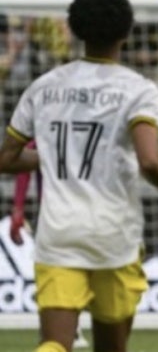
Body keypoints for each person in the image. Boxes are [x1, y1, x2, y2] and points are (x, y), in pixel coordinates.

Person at [0, 0, 158, 352]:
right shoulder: (137, 89)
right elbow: (150, 160)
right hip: (113, 233)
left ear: (74, 29)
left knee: (55, 343)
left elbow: (6, 159)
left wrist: (57, 155)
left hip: (58, 231)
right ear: (126, 32)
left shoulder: (44, 86)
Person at [8, 141, 90, 349]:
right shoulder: (45, 128)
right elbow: (24, 167)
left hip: (78, 212)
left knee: (72, 270)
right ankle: (62, 327)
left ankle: (68, 325)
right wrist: (18, 210)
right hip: (56, 214)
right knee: (56, 271)